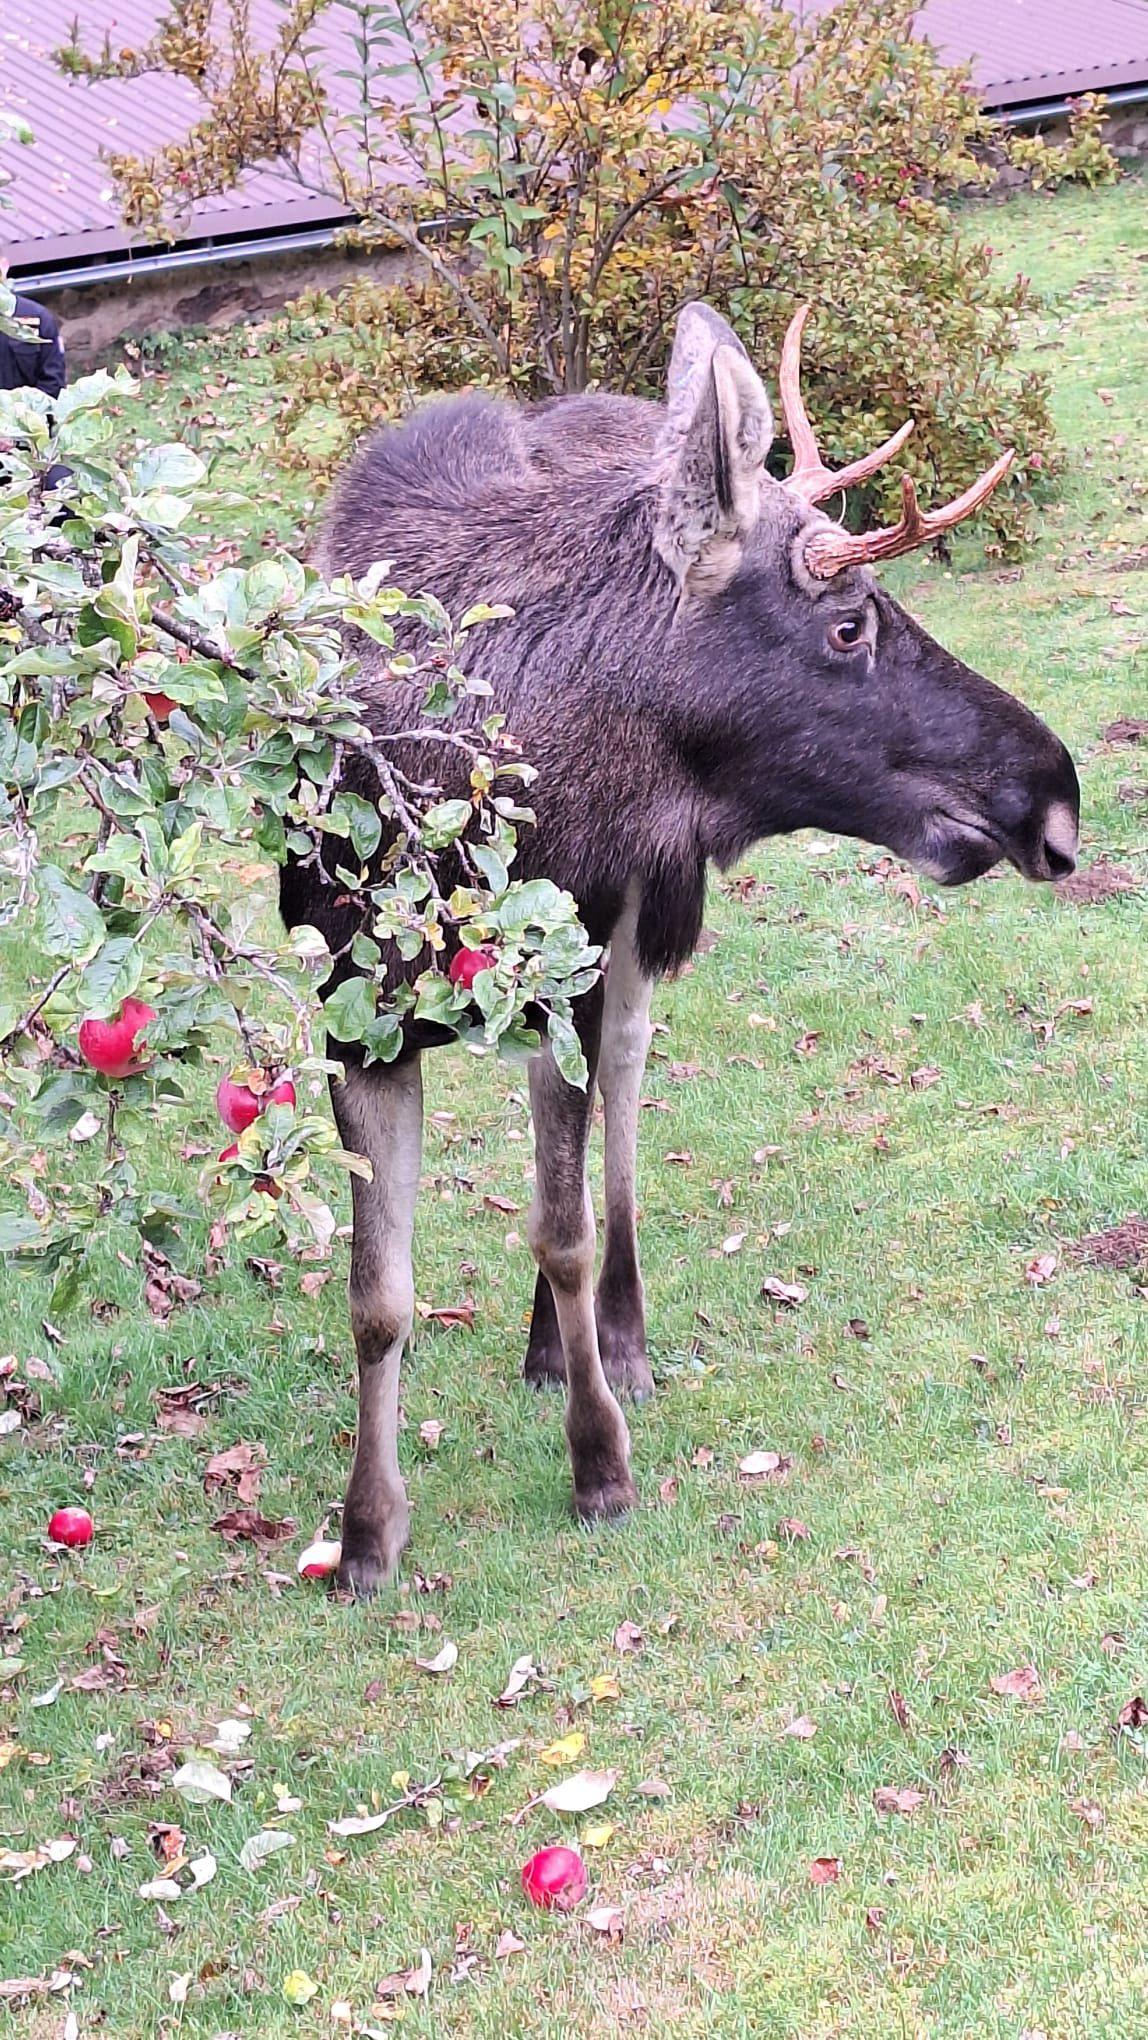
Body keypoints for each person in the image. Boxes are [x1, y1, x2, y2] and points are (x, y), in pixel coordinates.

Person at [0, 276, 70, 495]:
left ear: (3, 266)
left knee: (63, 491)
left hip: (31, 442)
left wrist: (16, 434)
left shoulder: (37, 319)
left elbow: (53, 387)